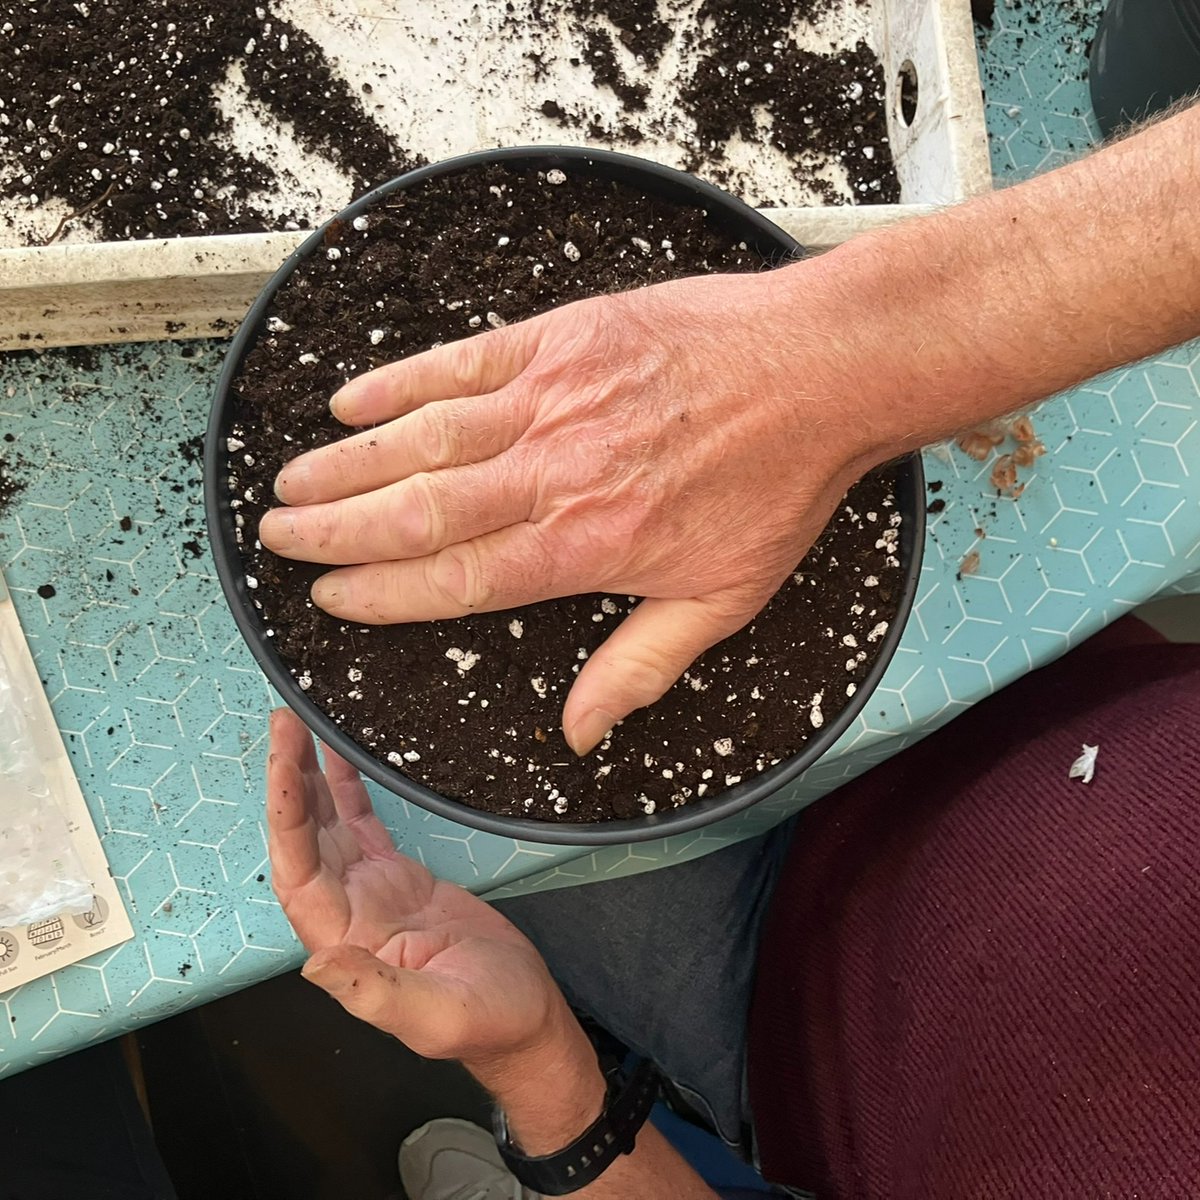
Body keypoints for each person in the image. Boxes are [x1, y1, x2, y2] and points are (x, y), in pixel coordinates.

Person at [261, 99, 1200, 1199]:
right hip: (1049, 696)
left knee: (423, 819)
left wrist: (549, 1084)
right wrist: (847, 352)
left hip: (772, 1002)